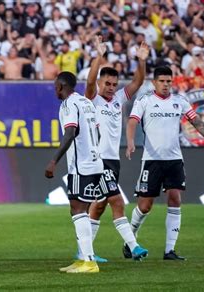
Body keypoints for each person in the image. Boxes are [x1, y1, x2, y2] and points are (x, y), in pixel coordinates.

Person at [126, 66, 204, 261]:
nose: (166, 85)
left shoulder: (180, 101)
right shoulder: (144, 101)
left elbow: (198, 123)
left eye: (169, 81)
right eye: (162, 81)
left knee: (175, 199)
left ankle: (169, 250)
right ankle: (130, 241)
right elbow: (132, 122)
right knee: (144, 206)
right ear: (154, 82)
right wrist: (129, 142)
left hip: (174, 160)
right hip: (152, 160)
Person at [84, 36, 149, 262]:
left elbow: (138, 82)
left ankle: (85, 252)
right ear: (101, 83)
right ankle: (134, 245)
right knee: (117, 202)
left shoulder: (119, 98)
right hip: (99, 159)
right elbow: (91, 80)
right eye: (107, 84)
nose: (111, 88)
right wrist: (98, 56)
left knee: (100, 206)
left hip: (113, 159)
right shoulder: (93, 98)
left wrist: (141, 61)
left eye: (114, 84)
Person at [45, 71, 103, 273]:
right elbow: (98, 132)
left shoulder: (69, 104)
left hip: (82, 166)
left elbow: (70, 133)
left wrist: (54, 161)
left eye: (55, 87)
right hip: (95, 163)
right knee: (80, 210)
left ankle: (89, 261)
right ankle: (83, 258)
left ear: (61, 86)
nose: (55, 91)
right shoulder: (87, 102)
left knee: (77, 210)